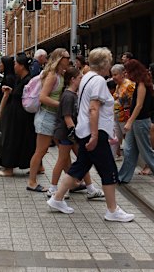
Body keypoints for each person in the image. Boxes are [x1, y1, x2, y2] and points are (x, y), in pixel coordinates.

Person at [47, 47, 135, 222]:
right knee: (108, 170)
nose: (110, 65)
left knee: (79, 167)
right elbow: (93, 109)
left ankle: (56, 199)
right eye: (109, 61)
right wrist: (95, 135)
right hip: (94, 132)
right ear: (104, 63)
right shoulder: (99, 81)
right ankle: (112, 210)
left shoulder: (86, 77)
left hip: (85, 131)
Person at [48, 67, 104, 199]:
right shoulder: (68, 96)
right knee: (62, 160)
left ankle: (90, 188)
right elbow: (67, 117)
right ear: (73, 80)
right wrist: (75, 133)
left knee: (83, 160)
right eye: (80, 78)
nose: (82, 80)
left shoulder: (73, 95)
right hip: (67, 134)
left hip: (72, 134)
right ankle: (53, 188)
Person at [118, 60, 154, 185]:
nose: (126, 74)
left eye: (127, 71)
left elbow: (139, 105)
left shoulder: (142, 84)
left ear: (133, 71)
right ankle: (123, 176)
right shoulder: (140, 83)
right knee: (129, 149)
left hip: (140, 121)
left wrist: (129, 121)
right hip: (137, 121)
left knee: (146, 151)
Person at [27, 48, 70, 192]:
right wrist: (62, 105)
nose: (69, 59)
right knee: (41, 150)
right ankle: (31, 182)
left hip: (55, 117)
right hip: (46, 116)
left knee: (64, 150)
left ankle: (73, 180)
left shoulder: (61, 75)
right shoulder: (52, 75)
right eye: (66, 57)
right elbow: (43, 97)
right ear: (59, 58)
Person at [0, 53, 36, 176]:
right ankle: (36, 166)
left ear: (22, 66)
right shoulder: (21, 79)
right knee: (24, 142)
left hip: (21, 117)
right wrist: (11, 91)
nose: (14, 66)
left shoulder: (28, 80)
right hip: (18, 117)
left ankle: (8, 169)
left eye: (16, 64)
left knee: (12, 141)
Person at [110, 64, 135, 160]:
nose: (113, 77)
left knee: (128, 141)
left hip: (125, 118)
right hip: (117, 116)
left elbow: (132, 103)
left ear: (122, 74)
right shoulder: (118, 85)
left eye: (115, 75)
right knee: (114, 140)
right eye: (113, 75)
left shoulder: (129, 85)